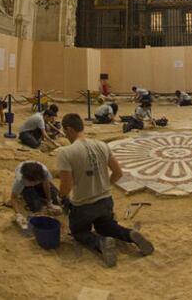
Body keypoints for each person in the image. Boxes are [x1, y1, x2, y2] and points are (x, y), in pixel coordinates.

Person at [58, 113, 154, 267]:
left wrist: (61, 197)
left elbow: (66, 187)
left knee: (79, 232)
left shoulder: (66, 152)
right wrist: (104, 185)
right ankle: (129, 234)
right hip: (105, 201)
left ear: (69, 129)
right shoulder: (102, 145)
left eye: (65, 132)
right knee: (106, 226)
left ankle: (100, 242)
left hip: (83, 205)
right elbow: (118, 173)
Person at [11, 161, 62, 227]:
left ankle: (41, 197)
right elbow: (13, 198)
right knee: (36, 207)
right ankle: (28, 193)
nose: (33, 184)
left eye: (35, 182)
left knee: (56, 198)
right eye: (31, 182)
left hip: (39, 181)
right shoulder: (20, 180)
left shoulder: (44, 173)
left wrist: (49, 202)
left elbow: (46, 185)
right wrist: (18, 215)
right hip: (26, 186)